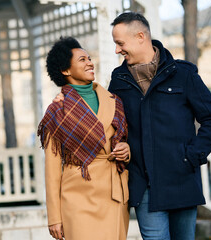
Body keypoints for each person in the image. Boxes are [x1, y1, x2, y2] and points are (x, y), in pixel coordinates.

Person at [107, 12, 211, 240]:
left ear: (140, 36)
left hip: (181, 179)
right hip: (144, 185)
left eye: (120, 43)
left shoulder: (183, 74)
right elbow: (110, 122)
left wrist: (192, 155)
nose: (117, 50)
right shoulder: (118, 80)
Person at [37, 36, 130, 240]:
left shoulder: (113, 100)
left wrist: (126, 150)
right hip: (77, 198)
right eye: (82, 60)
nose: (90, 62)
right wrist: (54, 217)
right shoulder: (57, 111)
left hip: (113, 194)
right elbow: (52, 169)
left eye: (89, 58)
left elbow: (123, 140)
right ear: (65, 70)